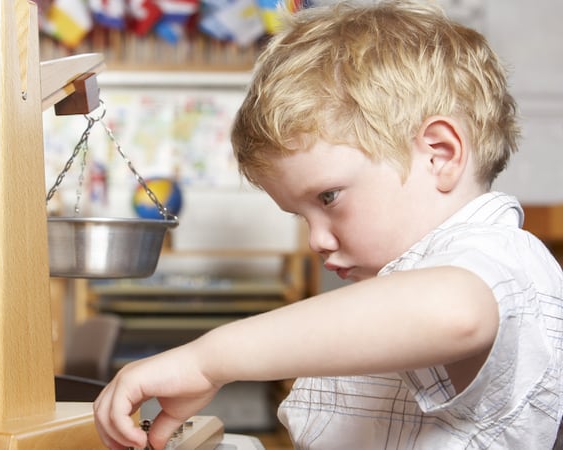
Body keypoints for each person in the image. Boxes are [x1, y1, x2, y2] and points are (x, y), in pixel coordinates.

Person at [93, 1, 563, 448]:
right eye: (302, 216)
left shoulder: (499, 256)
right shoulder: (403, 283)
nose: (316, 239)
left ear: (439, 154)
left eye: (329, 197)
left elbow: (454, 312)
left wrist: (208, 360)